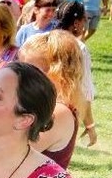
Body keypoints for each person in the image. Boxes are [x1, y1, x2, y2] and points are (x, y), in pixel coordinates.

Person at [18, 31, 86, 169]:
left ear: (58, 72)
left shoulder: (59, 112)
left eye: (31, 71)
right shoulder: (37, 104)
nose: (20, 76)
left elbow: (11, 155)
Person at [56, 0, 98, 147]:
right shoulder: (79, 48)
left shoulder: (39, 41)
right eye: (84, 19)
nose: (85, 23)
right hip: (64, 113)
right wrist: (90, 126)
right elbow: (84, 91)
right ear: (76, 23)